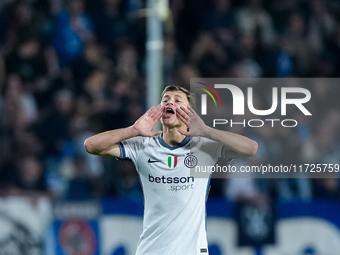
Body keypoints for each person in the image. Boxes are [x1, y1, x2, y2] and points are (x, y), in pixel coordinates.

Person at [84, 85, 258, 255]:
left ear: (190, 112)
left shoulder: (204, 146)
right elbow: (91, 146)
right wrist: (132, 130)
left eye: (177, 100)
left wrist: (206, 130)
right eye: (165, 100)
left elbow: (251, 148)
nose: (169, 103)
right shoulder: (144, 145)